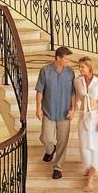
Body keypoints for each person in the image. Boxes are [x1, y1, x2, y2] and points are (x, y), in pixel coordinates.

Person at [35, 46, 75, 179]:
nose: (68, 61)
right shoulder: (45, 71)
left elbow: (73, 93)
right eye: (66, 58)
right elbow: (40, 90)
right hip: (48, 111)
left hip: (65, 113)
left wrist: (73, 108)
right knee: (45, 137)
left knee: (63, 141)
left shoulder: (70, 72)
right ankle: (50, 150)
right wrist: (38, 108)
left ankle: (58, 167)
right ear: (57, 58)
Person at [72, 56, 98, 193]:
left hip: (95, 117)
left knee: (95, 147)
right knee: (84, 146)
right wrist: (73, 108)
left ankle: (90, 180)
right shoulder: (77, 82)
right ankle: (88, 167)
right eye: (79, 67)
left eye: (82, 67)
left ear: (89, 67)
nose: (80, 69)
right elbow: (75, 97)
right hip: (83, 117)